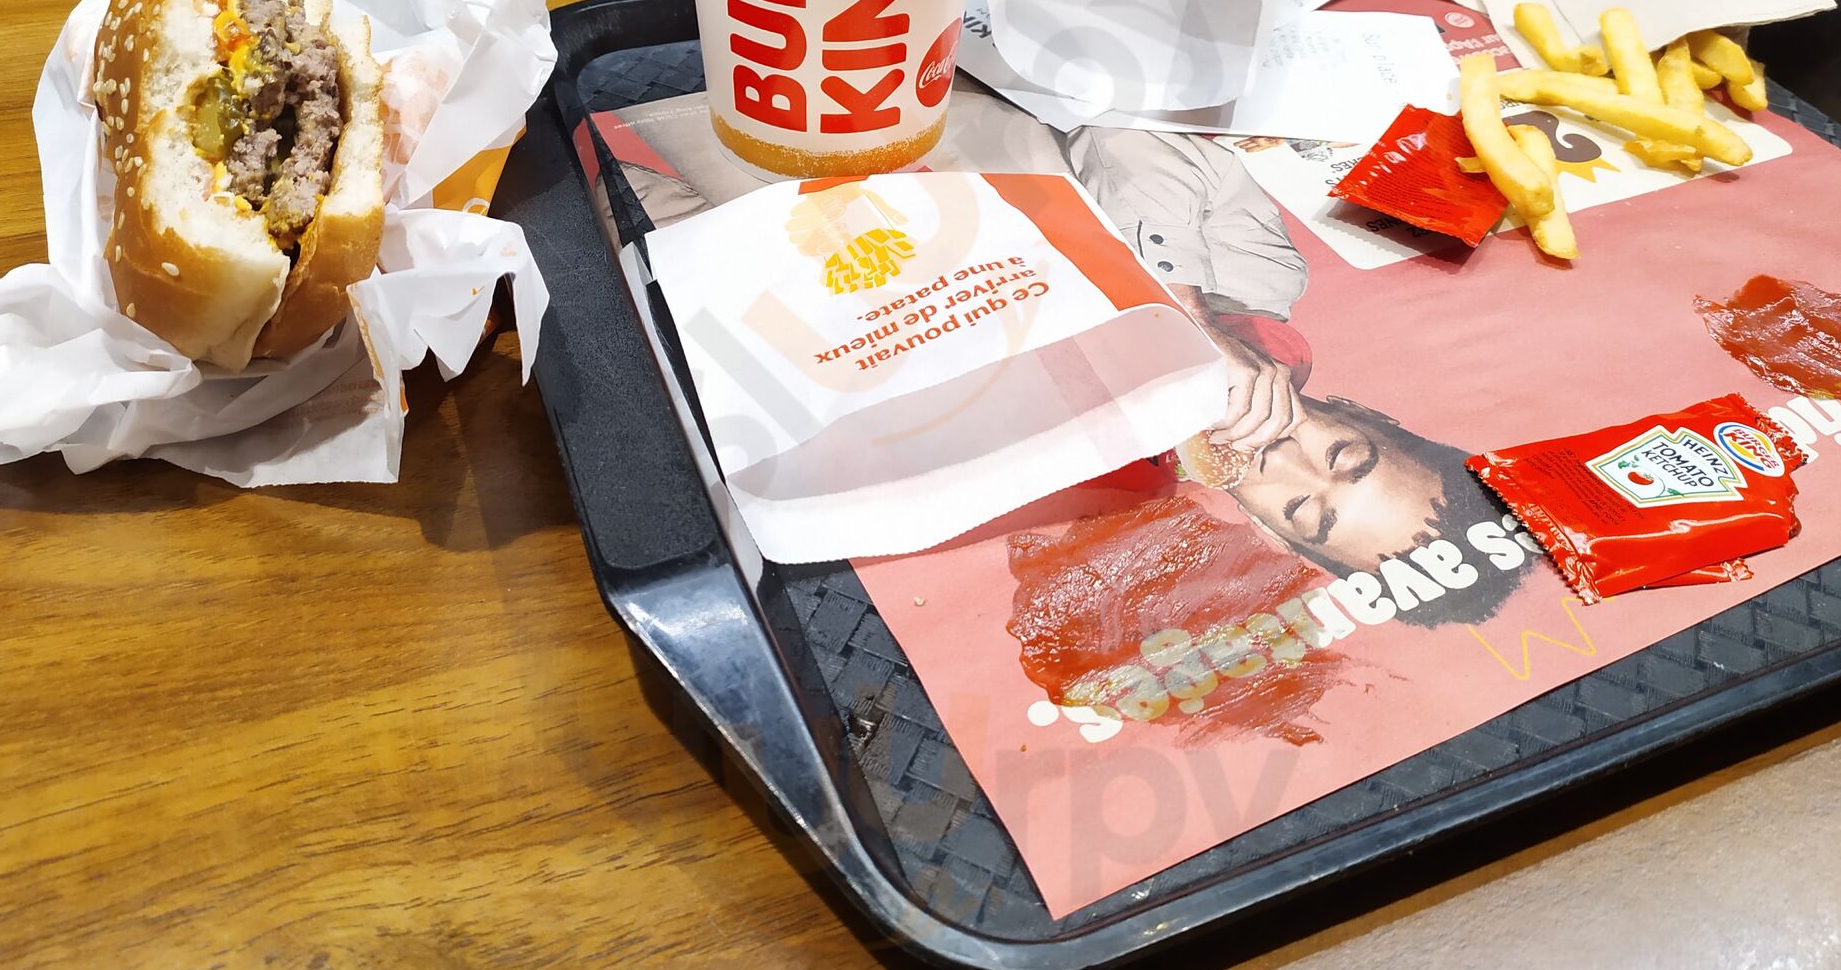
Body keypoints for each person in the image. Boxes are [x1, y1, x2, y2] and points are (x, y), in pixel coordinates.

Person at [606, 80, 1518, 623]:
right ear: (1355, 412)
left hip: (685, 238)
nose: (1287, 458)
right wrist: (1181, 313)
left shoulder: (1063, 514)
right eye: (1343, 457)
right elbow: (1129, 132)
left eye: (1306, 511)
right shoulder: (1256, 275)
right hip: (861, 88)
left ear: (1273, 532)